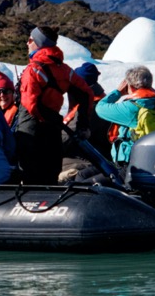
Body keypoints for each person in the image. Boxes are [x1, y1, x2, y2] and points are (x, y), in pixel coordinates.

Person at [13, 26, 95, 185]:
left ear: (38, 44)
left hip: (31, 130)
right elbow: (86, 94)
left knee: (29, 174)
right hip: (53, 130)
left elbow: (31, 103)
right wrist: (82, 124)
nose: (27, 43)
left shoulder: (33, 70)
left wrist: (46, 116)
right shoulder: (65, 70)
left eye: (30, 40)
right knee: (50, 173)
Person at [95, 65, 155, 165]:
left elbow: (100, 108)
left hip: (130, 161)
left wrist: (118, 92)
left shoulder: (130, 108)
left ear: (129, 86)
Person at [59, 62, 111, 183]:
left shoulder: (88, 110)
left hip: (81, 163)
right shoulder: (103, 104)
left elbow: (65, 139)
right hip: (89, 161)